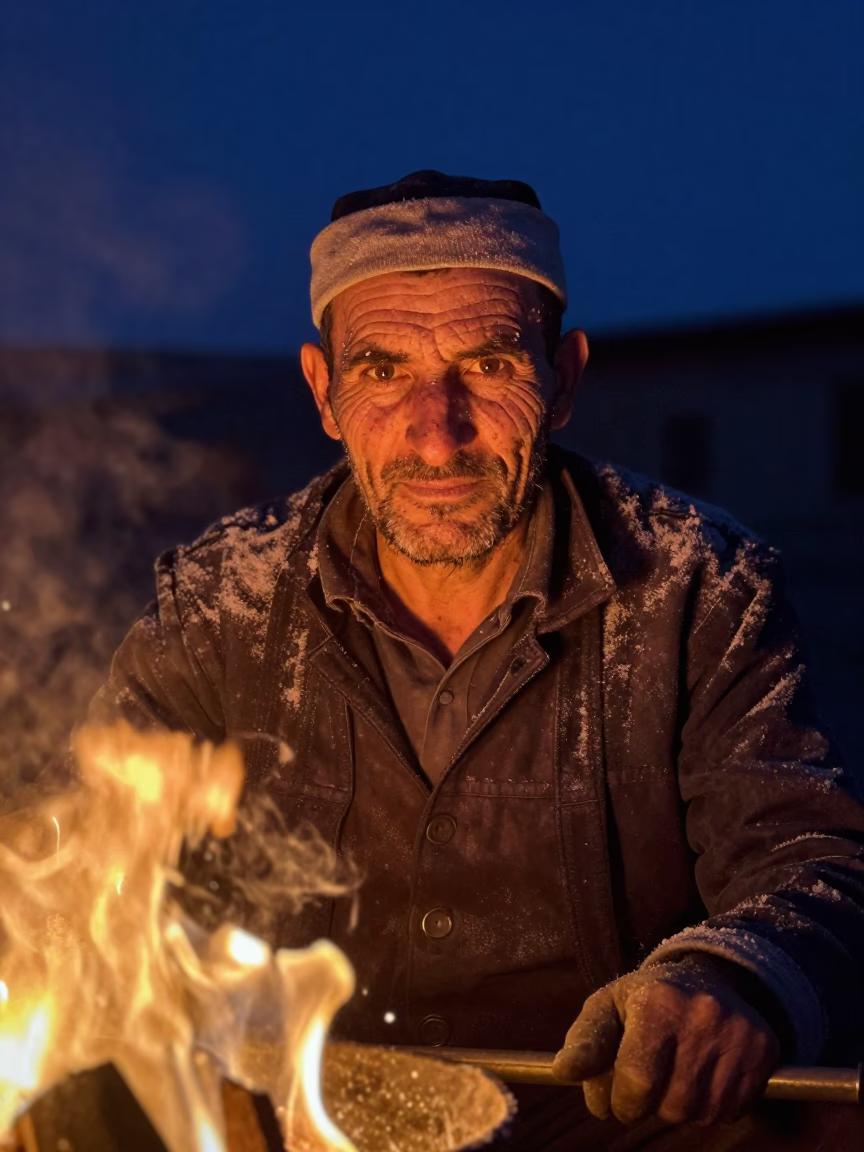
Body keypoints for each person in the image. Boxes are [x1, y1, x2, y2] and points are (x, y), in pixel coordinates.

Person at [93, 171, 864, 1149]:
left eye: (489, 364)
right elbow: (77, 836)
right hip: (295, 1121)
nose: (437, 433)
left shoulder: (698, 585)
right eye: (382, 371)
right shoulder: (221, 599)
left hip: (614, 1127)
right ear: (323, 392)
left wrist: (731, 975)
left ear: (564, 379)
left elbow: (810, 859)